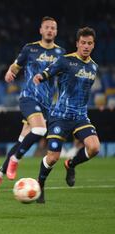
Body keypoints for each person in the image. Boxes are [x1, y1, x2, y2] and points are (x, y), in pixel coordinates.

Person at [0, 16, 65, 194]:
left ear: (56, 31)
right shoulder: (30, 49)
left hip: (46, 104)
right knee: (39, 130)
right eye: (47, 27)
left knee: (22, 140)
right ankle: (15, 159)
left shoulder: (61, 53)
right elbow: (16, 66)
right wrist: (10, 72)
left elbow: (63, 77)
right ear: (40, 30)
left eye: (53, 28)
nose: (50, 31)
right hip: (29, 98)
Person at [33, 27, 100, 203]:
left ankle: (71, 164)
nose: (86, 46)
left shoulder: (93, 67)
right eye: (83, 43)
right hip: (60, 116)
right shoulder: (66, 61)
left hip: (80, 116)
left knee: (94, 148)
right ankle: (40, 184)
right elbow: (50, 71)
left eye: (89, 43)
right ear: (77, 43)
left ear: (93, 45)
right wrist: (41, 76)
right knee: (53, 157)